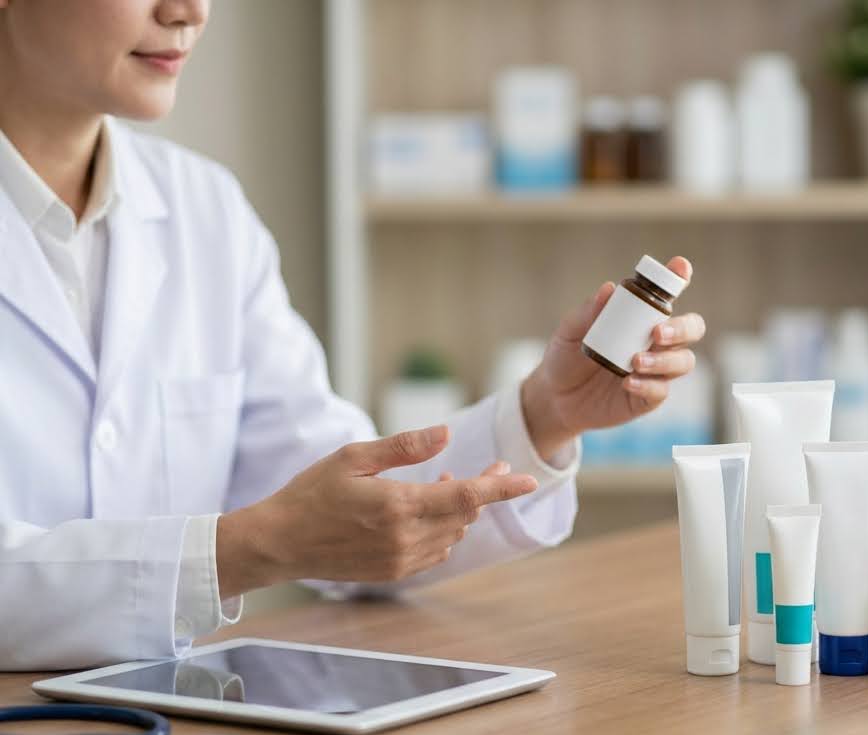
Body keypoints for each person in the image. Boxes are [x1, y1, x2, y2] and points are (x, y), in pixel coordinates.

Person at [0, 0, 706, 671]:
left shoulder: (204, 210)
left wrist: (545, 415)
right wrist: (244, 550)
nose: (189, 11)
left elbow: (348, 506)